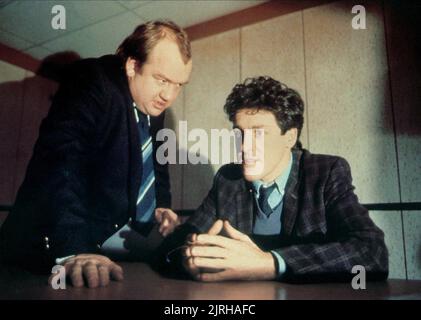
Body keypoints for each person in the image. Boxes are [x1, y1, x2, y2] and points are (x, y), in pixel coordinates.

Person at [0, 20, 193, 288]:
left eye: (179, 84)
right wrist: (75, 246)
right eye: (162, 80)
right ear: (132, 65)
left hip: (99, 245)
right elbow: (62, 159)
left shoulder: (153, 107)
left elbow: (157, 165)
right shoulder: (92, 78)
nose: (169, 95)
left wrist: (162, 204)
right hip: (37, 250)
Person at [153, 76, 389, 283]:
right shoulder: (228, 180)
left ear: (290, 137)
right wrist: (190, 257)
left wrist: (271, 263)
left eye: (258, 133)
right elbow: (172, 248)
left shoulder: (325, 173)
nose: (244, 147)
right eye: (240, 134)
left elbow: (372, 252)